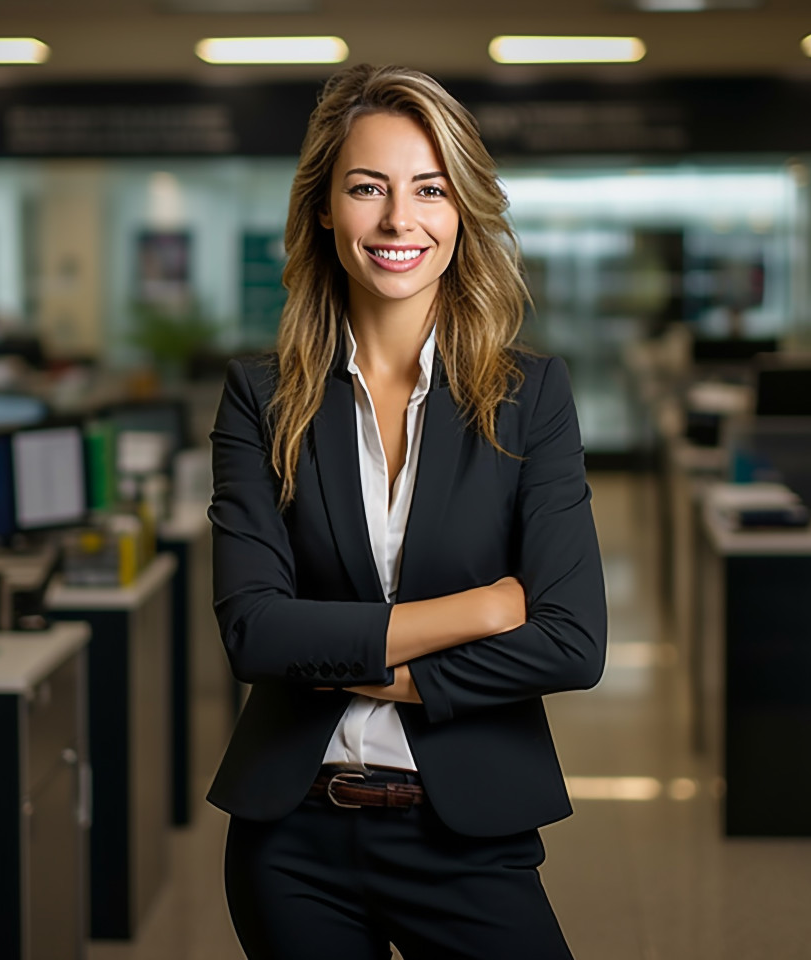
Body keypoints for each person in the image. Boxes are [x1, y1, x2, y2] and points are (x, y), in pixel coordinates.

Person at [207, 63, 607, 960]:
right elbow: (254, 636)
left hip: (466, 837)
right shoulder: (261, 401)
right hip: (290, 843)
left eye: (429, 189)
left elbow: (574, 642)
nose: (399, 220)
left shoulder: (529, 397)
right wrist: (480, 611)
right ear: (323, 208)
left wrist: (362, 666)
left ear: (461, 211)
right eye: (367, 188)